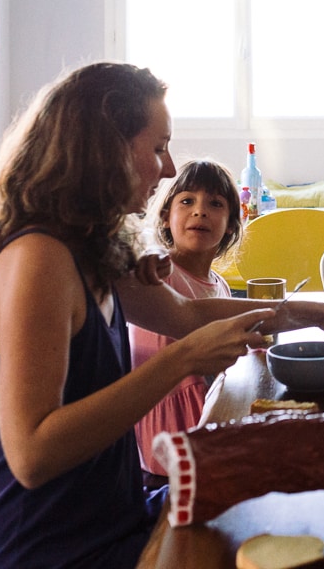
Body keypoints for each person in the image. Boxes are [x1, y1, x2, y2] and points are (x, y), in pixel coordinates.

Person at [0, 62, 324, 568]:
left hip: (113, 520)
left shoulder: (91, 245)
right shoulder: (40, 260)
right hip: (51, 551)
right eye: (158, 146)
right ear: (108, 149)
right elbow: (32, 455)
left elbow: (187, 315)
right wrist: (183, 360)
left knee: (285, 487)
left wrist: (307, 310)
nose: (167, 168)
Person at [129, 158, 242, 490]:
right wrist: (149, 250)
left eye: (215, 204)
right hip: (167, 425)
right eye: (187, 201)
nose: (200, 211)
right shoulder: (158, 272)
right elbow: (138, 244)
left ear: (232, 225)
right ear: (166, 216)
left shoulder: (219, 284)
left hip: (207, 408)